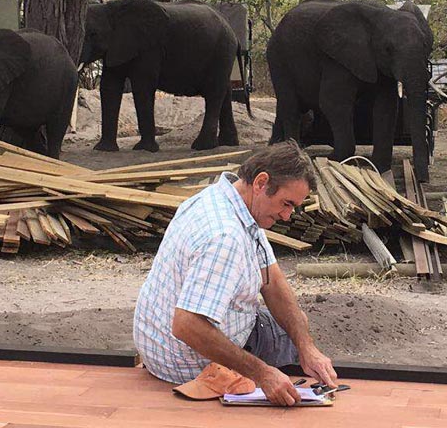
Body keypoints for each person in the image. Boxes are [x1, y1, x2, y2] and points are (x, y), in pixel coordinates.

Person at [133, 140, 338, 406]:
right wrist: (262, 374)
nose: (288, 216)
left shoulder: (222, 199)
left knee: (297, 327)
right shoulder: (225, 237)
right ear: (261, 182)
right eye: (286, 204)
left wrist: (307, 347)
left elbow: (272, 281)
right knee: (282, 342)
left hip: (158, 348)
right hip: (188, 361)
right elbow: (186, 324)